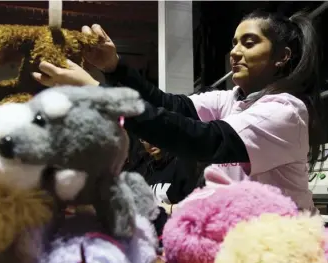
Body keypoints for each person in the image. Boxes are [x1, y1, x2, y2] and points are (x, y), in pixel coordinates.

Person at [32, 11, 326, 212]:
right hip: (244, 235)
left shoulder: (286, 111)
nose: (235, 52)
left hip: (284, 241)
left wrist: (96, 91)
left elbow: (201, 140)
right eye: (234, 43)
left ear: (282, 57)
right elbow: (168, 105)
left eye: (249, 43)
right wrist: (114, 68)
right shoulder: (232, 99)